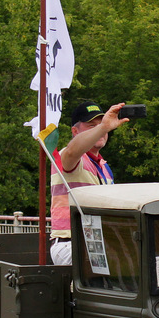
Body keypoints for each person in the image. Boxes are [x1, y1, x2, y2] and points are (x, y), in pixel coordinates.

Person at [49, 100, 128, 265]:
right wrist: (103, 127)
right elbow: (72, 151)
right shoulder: (70, 156)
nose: (100, 130)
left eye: (101, 125)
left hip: (95, 242)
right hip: (69, 243)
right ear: (75, 131)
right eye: (91, 126)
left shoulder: (104, 167)